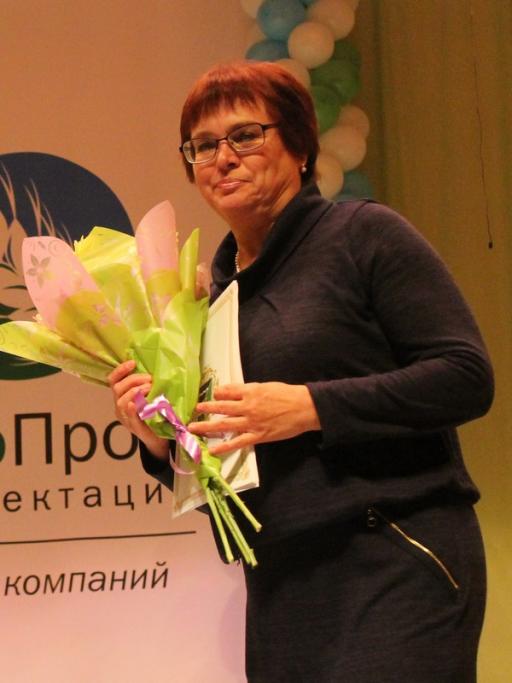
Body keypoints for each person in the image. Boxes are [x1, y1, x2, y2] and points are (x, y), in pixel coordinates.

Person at [108, 61, 494, 682]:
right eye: (202, 146)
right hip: (281, 585)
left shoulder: (364, 235)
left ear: (300, 148)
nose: (222, 158)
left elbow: (466, 376)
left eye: (245, 136)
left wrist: (311, 407)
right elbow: (229, 480)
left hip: (394, 557)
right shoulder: (207, 302)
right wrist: (160, 442)